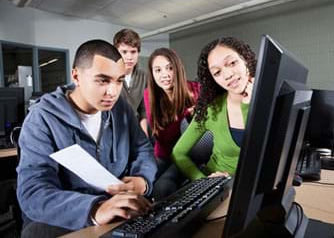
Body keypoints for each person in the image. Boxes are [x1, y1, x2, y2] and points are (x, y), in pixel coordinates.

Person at [16, 40, 157, 237]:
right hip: (69, 217)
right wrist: (94, 209)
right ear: (76, 76)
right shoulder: (42, 118)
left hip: (116, 210)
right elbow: (33, 192)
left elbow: (143, 149)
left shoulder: (121, 109)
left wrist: (142, 180)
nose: (113, 92)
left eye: (119, 80)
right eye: (102, 80)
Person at [172, 37, 257, 181]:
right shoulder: (212, 110)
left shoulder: (272, 97)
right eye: (217, 72)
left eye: (232, 63)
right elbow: (178, 153)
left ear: (246, 60)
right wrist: (205, 181)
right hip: (222, 188)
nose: (228, 75)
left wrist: (249, 104)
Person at [144, 48, 200, 200]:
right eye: (158, 70)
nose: (165, 75)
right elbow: (162, 136)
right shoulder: (149, 94)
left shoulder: (196, 89)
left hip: (190, 153)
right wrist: (187, 114)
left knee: (162, 188)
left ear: (177, 68)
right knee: (144, 187)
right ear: (152, 73)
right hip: (164, 154)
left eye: (169, 68)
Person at [113, 28, 149, 136]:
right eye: (124, 52)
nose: (129, 57)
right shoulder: (109, 75)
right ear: (116, 53)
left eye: (133, 52)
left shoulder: (144, 76)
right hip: (114, 130)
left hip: (135, 128)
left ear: (138, 53)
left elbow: (143, 111)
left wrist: (144, 135)